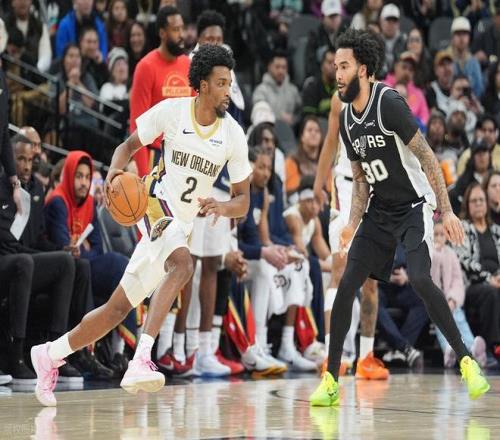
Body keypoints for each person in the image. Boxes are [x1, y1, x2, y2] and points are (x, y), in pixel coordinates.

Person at [30, 44, 252, 407]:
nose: (228, 90)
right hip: (153, 203)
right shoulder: (173, 112)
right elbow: (128, 146)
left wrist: (222, 205)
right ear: (202, 85)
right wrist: (114, 172)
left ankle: (49, 354)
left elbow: (243, 199)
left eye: (230, 83)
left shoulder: (233, 134)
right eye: (221, 83)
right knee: (184, 265)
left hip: (182, 224)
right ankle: (141, 359)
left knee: (116, 310)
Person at [310, 29, 489, 407]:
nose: (337, 73)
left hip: (413, 206)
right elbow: (361, 179)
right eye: (336, 66)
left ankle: (466, 361)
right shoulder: (346, 118)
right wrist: (352, 223)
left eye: (344, 66)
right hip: (379, 210)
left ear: (362, 69)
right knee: (347, 283)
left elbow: (427, 156)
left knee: (421, 278)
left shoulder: (388, 103)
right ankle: (331, 379)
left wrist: (446, 211)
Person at [160, 9, 245, 377]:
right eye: (209, 37)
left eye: (218, 38)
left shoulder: (229, 78)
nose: (214, 43)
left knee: (211, 264)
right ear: (198, 38)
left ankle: (201, 349)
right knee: (186, 265)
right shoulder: (190, 71)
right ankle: (173, 344)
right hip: (189, 178)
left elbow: (237, 125)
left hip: (221, 182)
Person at [129, 5, 193, 177]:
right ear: (162, 33)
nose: (182, 34)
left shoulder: (188, 65)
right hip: (156, 155)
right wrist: (144, 175)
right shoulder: (146, 67)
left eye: (182, 28)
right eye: (176, 30)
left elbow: (196, 115)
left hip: (183, 155)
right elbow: (136, 125)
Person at [454, 182, 500, 365]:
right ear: (467, 205)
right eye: (474, 201)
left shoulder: (496, 230)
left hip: (496, 281)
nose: (479, 203)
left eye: (481, 200)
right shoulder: (463, 228)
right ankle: (493, 348)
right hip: (473, 285)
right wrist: (489, 279)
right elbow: (464, 260)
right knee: (491, 293)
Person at [431, 220, 487, 368]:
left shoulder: (452, 255)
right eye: (436, 234)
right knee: (441, 321)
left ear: (447, 237)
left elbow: (457, 281)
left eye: (442, 234)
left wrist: (453, 300)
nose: (439, 238)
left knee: (459, 318)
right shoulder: (429, 254)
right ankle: (448, 351)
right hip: (435, 303)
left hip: (451, 301)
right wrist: (436, 254)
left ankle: (472, 347)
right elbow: (430, 276)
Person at [252, 51, 302, 127]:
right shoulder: (261, 91)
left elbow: (300, 112)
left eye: (284, 67)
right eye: (277, 67)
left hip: (290, 131)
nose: (281, 71)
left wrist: (293, 119)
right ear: (269, 67)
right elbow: (259, 114)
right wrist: (279, 117)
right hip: (268, 130)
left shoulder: (293, 90)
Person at [4, 0, 52, 72]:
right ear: (12, 2)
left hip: (33, 73)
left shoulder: (40, 27)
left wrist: (35, 70)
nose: (22, 2)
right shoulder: (3, 25)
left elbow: (45, 56)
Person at [285, 115, 323, 200]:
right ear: (302, 137)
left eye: (317, 131)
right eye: (309, 130)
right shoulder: (292, 161)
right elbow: (292, 193)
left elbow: (330, 190)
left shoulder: (326, 163)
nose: (313, 133)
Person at [448, 16, 484, 98]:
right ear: (452, 37)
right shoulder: (446, 59)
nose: (461, 38)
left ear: (469, 37)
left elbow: (479, 91)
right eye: (458, 34)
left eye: (464, 34)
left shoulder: (473, 62)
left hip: (470, 102)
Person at [302, 47, 337, 118]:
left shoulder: (344, 87)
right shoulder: (312, 87)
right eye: (329, 62)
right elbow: (309, 117)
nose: (333, 67)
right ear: (321, 66)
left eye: (335, 63)